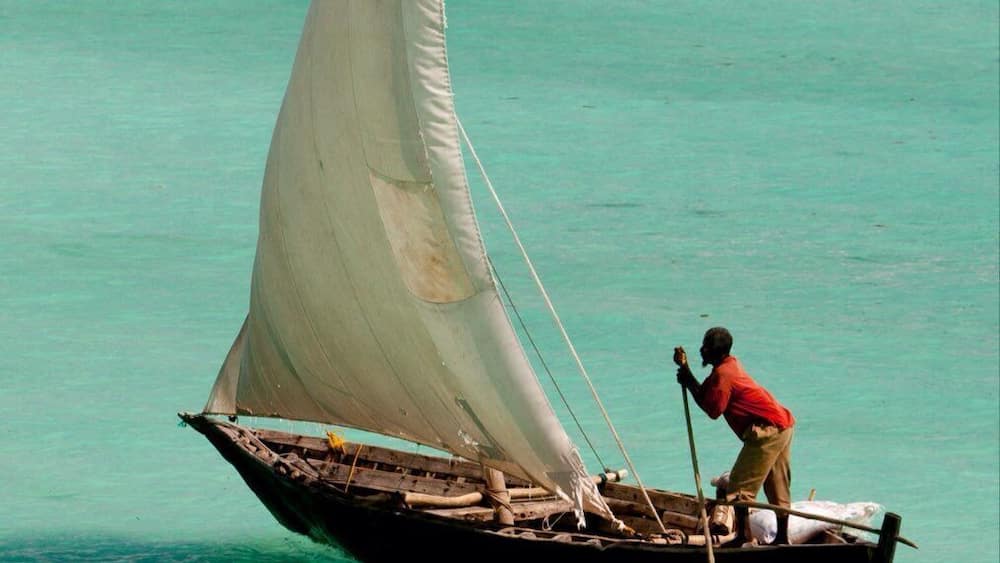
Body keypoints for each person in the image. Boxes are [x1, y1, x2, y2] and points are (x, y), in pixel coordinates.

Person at [673, 327, 795, 545]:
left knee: (739, 486)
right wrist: (687, 371)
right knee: (777, 485)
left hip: (766, 430)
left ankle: (743, 536)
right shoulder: (727, 367)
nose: (702, 350)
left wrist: (688, 379)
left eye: (706, 347)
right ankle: (782, 539)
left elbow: (713, 410)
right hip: (782, 425)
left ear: (717, 352)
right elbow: (707, 397)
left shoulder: (723, 374)